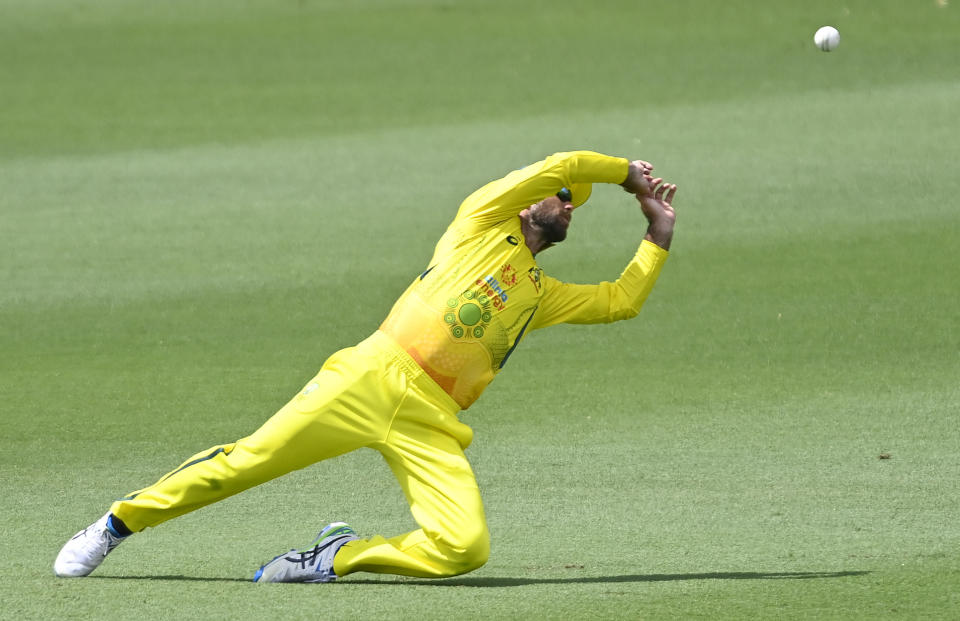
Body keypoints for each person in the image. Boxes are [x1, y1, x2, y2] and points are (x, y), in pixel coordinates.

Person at [54, 150, 678, 583]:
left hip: (430, 421)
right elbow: (558, 167)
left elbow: (619, 302)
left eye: (576, 205)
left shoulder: (539, 293)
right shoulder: (481, 222)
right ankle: (116, 523)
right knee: (245, 462)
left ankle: (336, 557)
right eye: (563, 198)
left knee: (465, 549)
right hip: (369, 377)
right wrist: (626, 174)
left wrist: (657, 232)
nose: (568, 203)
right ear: (526, 203)